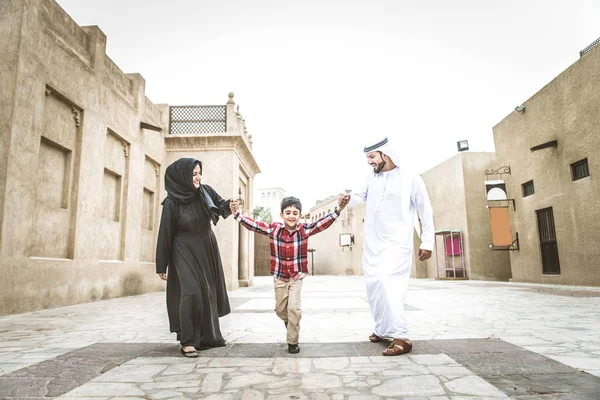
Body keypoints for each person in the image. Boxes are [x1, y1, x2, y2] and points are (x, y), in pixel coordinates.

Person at [229, 195, 349, 353]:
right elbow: (254, 226)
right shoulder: (274, 229)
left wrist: (339, 208)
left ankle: (293, 342)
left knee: (294, 309)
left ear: (300, 215)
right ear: (281, 215)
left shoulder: (304, 230)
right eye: (288, 212)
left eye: (295, 213)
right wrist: (237, 214)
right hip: (280, 276)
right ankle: (289, 321)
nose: (291, 216)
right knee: (280, 309)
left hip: (296, 276)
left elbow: (322, 223)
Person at [348, 137, 434, 356]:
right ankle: (382, 329)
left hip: (397, 244)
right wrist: (345, 198)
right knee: (375, 286)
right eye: (367, 157)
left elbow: (425, 210)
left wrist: (427, 241)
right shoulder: (371, 177)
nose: (369, 161)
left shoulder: (410, 178)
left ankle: (401, 337)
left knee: (390, 286)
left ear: (385, 154)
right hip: (373, 243)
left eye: (372, 156)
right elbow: (358, 195)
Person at [156, 158, 233, 357]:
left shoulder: (205, 191)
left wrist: (231, 206)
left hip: (206, 246)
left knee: (207, 291)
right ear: (182, 176)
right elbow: (165, 233)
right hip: (182, 248)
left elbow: (221, 206)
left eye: (199, 173)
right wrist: (161, 264)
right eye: (194, 174)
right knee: (191, 291)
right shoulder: (171, 202)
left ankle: (208, 337)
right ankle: (188, 341)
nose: (198, 177)